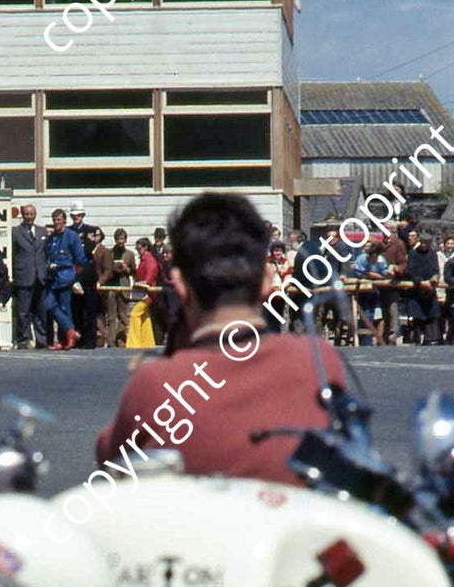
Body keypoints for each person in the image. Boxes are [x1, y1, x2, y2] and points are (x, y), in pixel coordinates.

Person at [95, 193, 348, 487]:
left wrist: (168, 361)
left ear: (181, 286)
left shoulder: (153, 382)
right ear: (267, 282)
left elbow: (110, 459)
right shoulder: (320, 360)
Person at [42, 208, 85, 350]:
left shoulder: (72, 236)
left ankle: (66, 340)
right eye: (54, 220)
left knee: (65, 308)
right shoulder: (51, 238)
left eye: (59, 220)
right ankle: (70, 330)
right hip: (53, 278)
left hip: (66, 276)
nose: (56, 223)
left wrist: (76, 278)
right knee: (48, 304)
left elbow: (80, 260)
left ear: (65, 221)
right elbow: (47, 255)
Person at [101, 228, 135, 347]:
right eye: (119, 239)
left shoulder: (129, 254)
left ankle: (121, 340)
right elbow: (105, 268)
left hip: (123, 285)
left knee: (122, 314)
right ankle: (111, 341)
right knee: (111, 315)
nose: (121, 241)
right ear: (115, 239)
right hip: (111, 285)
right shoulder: (109, 253)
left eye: (123, 239)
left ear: (125, 240)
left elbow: (133, 271)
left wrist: (127, 268)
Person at [407, 231, 442, 345]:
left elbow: (436, 270)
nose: (423, 245)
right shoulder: (413, 253)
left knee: (432, 315)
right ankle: (418, 339)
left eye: (426, 242)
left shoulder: (433, 254)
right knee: (418, 316)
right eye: (422, 242)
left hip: (430, 290)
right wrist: (421, 282)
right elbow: (411, 271)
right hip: (418, 289)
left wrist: (435, 277)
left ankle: (431, 339)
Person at [126, 238, 160, 349]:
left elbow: (149, 278)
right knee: (145, 317)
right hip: (142, 292)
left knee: (135, 314)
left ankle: (134, 343)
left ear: (145, 247)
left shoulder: (149, 260)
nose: (137, 250)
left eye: (139, 248)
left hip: (147, 293)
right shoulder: (143, 260)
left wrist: (139, 283)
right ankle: (147, 342)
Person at [76, 225, 102, 349]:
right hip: (83, 281)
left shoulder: (93, 246)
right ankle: (83, 339)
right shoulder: (85, 246)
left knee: (91, 313)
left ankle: (90, 340)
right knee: (82, 312)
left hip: (91, 282)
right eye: (92, 235)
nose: (95, 238)